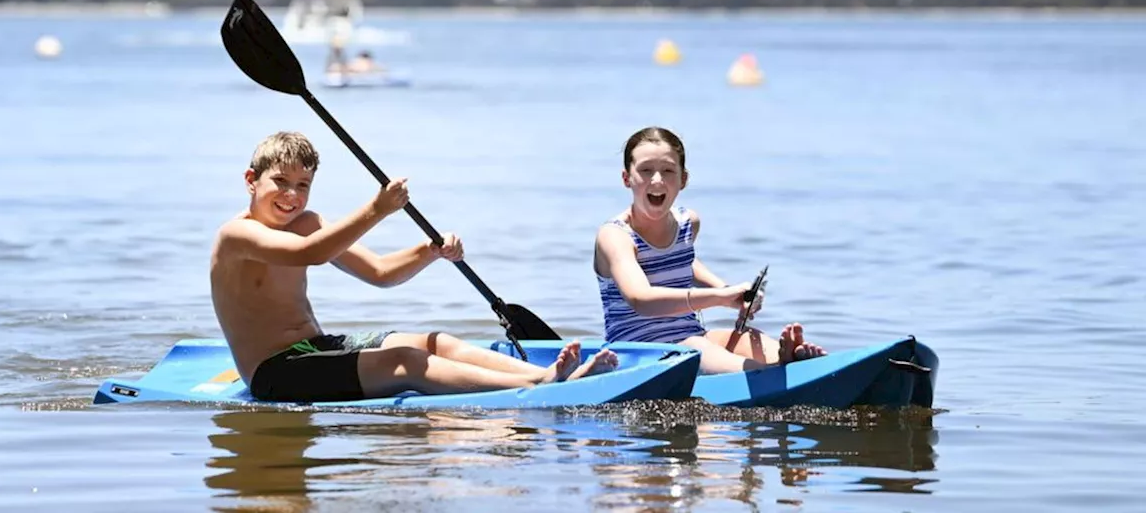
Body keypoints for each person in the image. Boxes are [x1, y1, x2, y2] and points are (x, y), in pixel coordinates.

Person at [211, 131, 618, 403]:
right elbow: (310, 254)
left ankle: (540, 373)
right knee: (405, 362)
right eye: (280, 181)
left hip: (317, 347)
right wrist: (377, 208)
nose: (291, 195)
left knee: (433, 342)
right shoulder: (236, 236)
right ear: (251, 180)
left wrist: (429, 251)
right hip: (274, 373)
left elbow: (381, 273)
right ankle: (539, 386)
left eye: (303, 185)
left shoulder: (308, 223)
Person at [592, 126, 827, 375]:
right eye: (646, 170)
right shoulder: (615, 236)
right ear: (626, 178)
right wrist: (720, 299)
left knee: (745, 338)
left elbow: (683, 262)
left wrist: (730, 292)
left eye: (668, 170)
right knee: (699, 347)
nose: (657, 180)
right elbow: (641, 299)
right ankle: (777, 372)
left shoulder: (688, 223)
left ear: (683, 179)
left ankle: (794, 363)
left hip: (690, 335)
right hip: (636, 352)